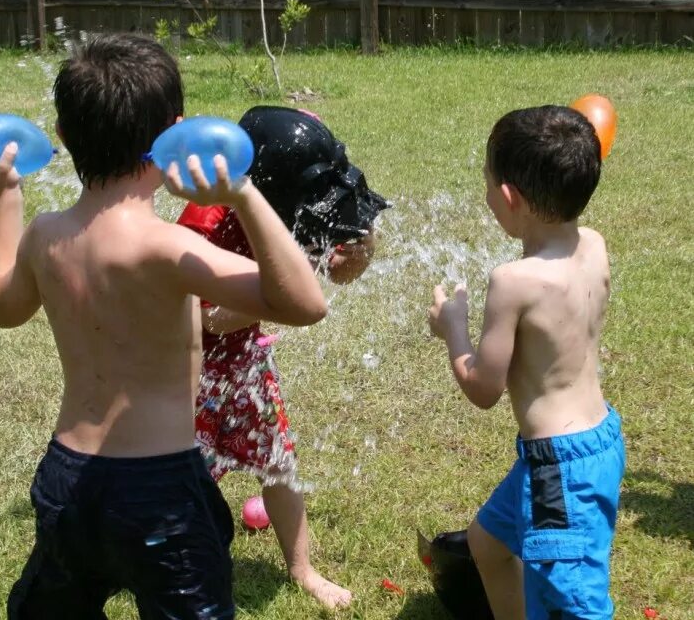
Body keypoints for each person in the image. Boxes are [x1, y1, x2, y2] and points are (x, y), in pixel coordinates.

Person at [0, 35, 327, 620]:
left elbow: (2, 308)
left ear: (64, 134)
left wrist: (7, 194)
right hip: (161, 493)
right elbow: (305, 302)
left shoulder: (46, 235)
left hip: (68, 479)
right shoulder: (167, 247)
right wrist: (244, 194)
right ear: (172, 136)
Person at [177, 106, 388, 609]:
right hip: (187, 371)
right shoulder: (203, 222)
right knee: (179, 480)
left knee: (277, 464)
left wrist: (359, 254)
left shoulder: (296, 206)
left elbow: (335, 275)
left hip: (245, 360)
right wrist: (273, 299)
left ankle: (303, 569)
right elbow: (203, 319)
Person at [427, 105, 625, 620]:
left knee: (575, 604)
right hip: (597, 440)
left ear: (509, 198)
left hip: (557, 470)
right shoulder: (595, 246)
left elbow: (483, 387)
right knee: (488, 545)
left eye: (488, 183)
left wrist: (452, 327)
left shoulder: (513, 282)